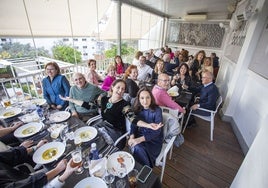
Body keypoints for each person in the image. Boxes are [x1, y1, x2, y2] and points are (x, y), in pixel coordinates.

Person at [61, 79, 162, 150]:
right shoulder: (104, 99)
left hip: (115, 133)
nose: (120, 91)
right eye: (118, 87)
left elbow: (133, 119)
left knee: (95, 146)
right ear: (112, 87)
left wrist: (148, 125)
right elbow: (88, 105)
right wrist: (71, 99)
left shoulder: (124, 105)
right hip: (102, 126)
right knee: (86, 141)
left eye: (123, 89)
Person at [0, 139, 77, 187]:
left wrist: (35, 147)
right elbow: (29, 185)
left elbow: (8, 156)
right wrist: (59, 170)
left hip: (25, 178)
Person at [128, 88, 163, 167]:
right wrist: (132, 137)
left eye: (148, 97)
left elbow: (157, 132)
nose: (145, 101)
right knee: (135, 146)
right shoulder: (137, 109)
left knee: (137, 148)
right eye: (142, 98)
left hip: (154, 139)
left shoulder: (157, 110)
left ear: (151, 98)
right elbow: (133, 124)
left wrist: (138, 140)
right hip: (140, 134)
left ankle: (145, 169)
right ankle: (138, 167)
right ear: (139, 99)